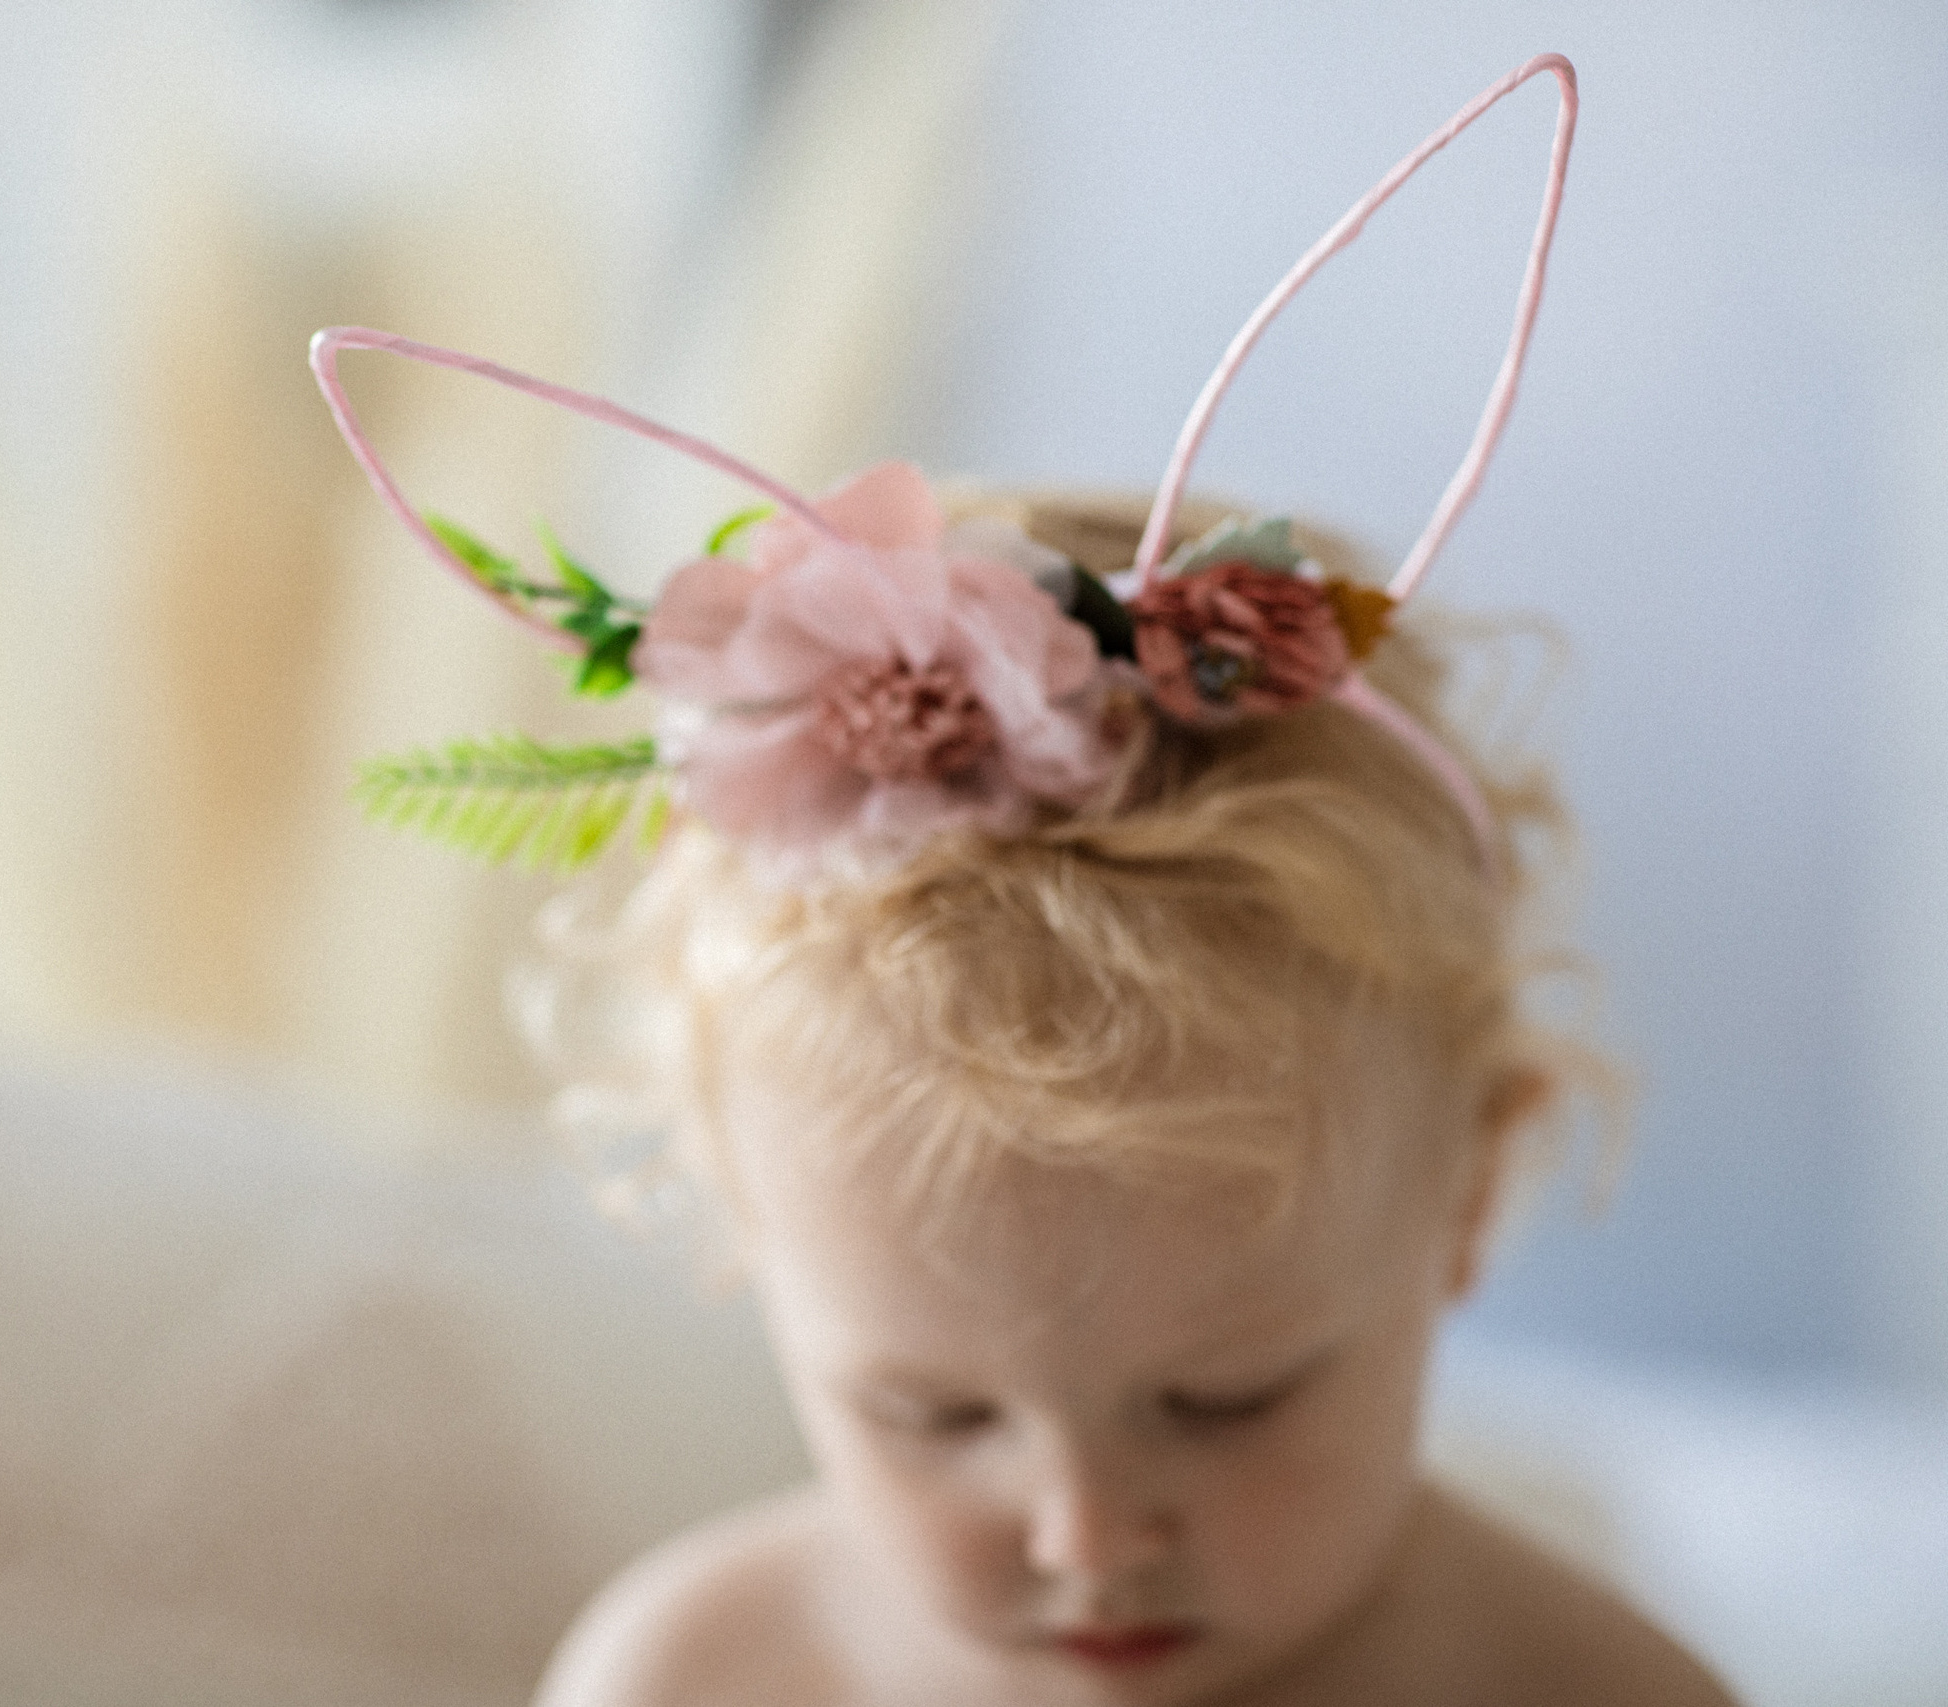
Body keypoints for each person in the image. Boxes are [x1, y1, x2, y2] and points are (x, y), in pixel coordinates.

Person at [312, 51, 1740, 1707]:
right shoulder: (701, 1677)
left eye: (1231, 1403)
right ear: (731, 1209)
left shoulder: (1577, 1685)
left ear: (1471, 1193)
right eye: (934, 1416)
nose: (1083, 1535)